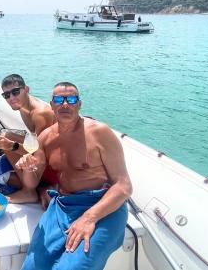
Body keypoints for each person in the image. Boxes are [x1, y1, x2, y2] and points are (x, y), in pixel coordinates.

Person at [17, 82, 133, 270]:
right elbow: (30, 184)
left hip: (102, 206)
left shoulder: (99, 132)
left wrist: (89, 218)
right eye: (59, 100)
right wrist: (28, 168)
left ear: (79, 104)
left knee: (73, 267)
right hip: (63, 206)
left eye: (71, 99)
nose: (65, 104)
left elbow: (124, 186)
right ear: (52, 105)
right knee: (33, 266)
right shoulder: (45, 138)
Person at [0, 74, 55, 207]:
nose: (11, 98)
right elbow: (36, 140)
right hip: (43, 150)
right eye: (6, 95)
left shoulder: (40, 114)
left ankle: (28, 191)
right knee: (7, 135)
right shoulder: (23, 106)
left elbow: (41, 155)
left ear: (26, 89)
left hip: (53, 165)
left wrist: (12, 147)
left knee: (8, 143)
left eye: (15, 92)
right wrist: (9, 142)